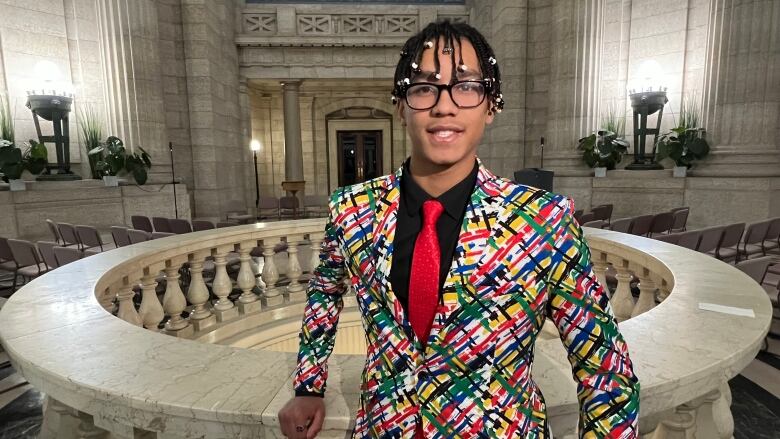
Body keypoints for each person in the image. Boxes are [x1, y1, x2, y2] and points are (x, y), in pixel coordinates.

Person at [278, 20, 639, 439]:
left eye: (466, 86)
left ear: (491, 106)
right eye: (424, 87)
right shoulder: (353, 208)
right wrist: (309, 383)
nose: (443, 106)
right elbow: (324, 293)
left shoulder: (544, 220)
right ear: (401, 105)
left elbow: (606, 369)